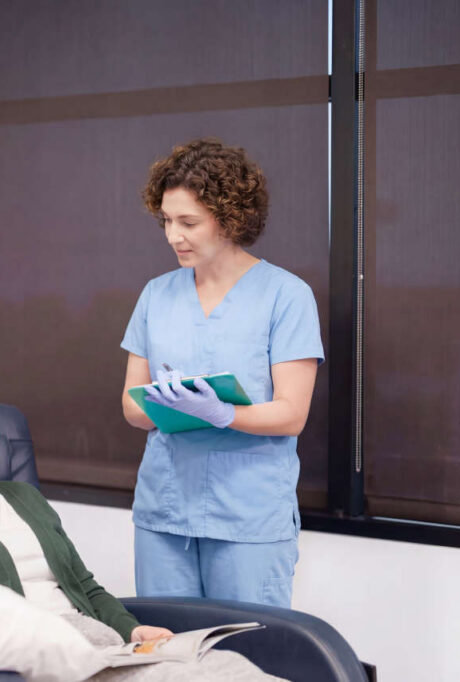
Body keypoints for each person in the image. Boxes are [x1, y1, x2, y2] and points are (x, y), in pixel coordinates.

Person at [0, 356, 284, 681]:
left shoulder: (21, 496)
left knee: (231, 669)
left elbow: (83, 585)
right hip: (46, 657)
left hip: (99, 644)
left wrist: (134, 632)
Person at [121, 139, 324, 608]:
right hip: (164, 512)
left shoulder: (286, 296)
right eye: (167, 221)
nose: (174, 236)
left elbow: (292, 414)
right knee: (166, 658)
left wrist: (221, 413)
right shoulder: (156, 294)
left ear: (230, 217)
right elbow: (131, 404)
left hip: (248, 518)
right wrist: (163, 405)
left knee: (246, 659)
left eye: (189, 222)